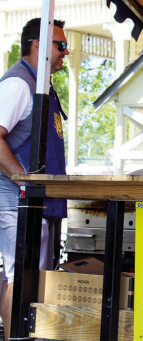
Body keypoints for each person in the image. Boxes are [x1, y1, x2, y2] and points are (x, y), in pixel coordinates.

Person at [0, 18, 69, 339]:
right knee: (20, 277)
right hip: (19, 202)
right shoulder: (18, 84)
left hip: (40, 202)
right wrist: (21, 180)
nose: (65, 52)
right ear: (38, 46)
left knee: (36, 277)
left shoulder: (41, 85)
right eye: (61, 45)